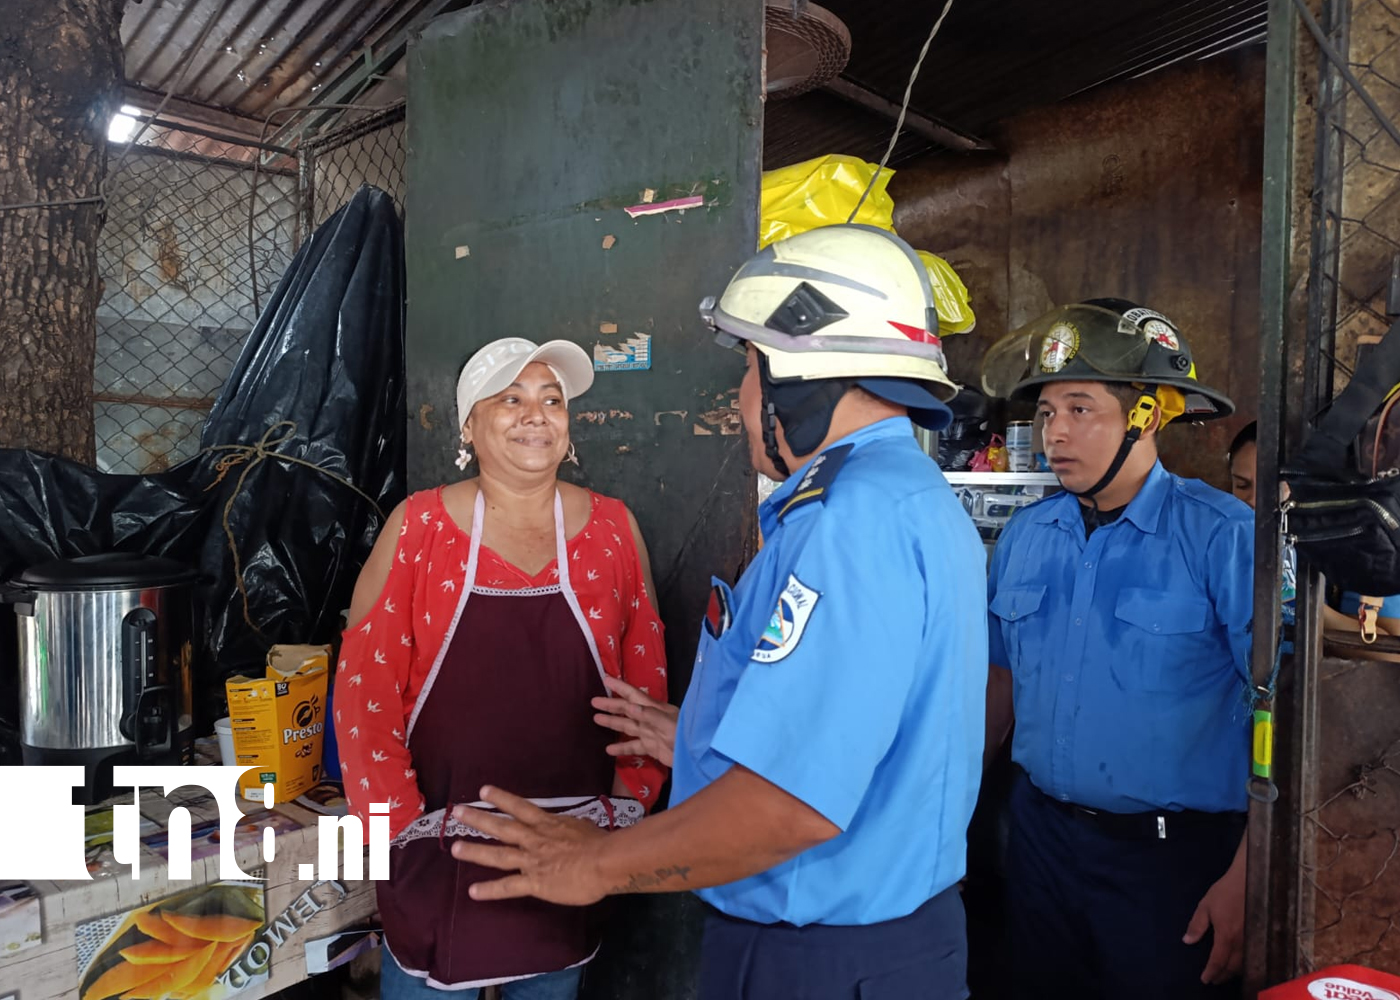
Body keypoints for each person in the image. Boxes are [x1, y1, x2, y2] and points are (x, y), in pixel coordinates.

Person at [445, 224, 989, 1000]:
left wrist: (591, 862)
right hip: (875, 945)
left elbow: (789, 807)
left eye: (748, 370)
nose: (739, 401)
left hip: (820, 962)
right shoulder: (908, 499)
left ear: (799, 378)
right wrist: (700, 741)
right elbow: (859, 724)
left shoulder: (848, 525)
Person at [334, 337, 669, 999]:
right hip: (439, 846)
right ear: (470, 424)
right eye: (511, 398)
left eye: (551, 399)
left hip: (574, 841)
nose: (536, 413)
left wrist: (626, 807)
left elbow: (645, 681)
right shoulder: (419, 528)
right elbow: (362, 694)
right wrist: (399, 836)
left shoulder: (612, 529)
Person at [981, 299, 1253, 999]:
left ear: (1147, 417)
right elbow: (999, 689)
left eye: (1081, 409)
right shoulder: (1027, 537)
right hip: (1038, 842)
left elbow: (1285, 718)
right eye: (1046, 414)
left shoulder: (1223, 538)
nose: (1055, 435)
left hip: (1173, 863)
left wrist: (1249, 876)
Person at [1229, 420, 1400, 650]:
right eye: (1241, 485)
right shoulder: (1221, 536)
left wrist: (1303, 603)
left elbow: (1388, 653)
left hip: (1324, 680)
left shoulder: (1352, 535)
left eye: (1272, 488)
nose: (1253, 501)